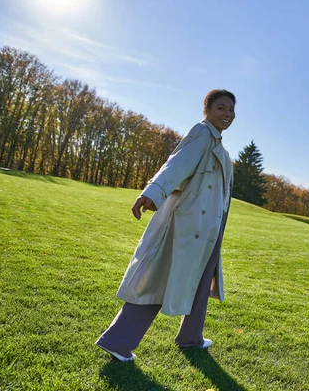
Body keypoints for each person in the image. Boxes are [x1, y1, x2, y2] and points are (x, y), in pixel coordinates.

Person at [95, 89, 236, 362]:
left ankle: (190, 337)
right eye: (221, 107)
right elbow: (175, 165)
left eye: (231, 110)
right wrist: (153, 191)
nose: (227, 114)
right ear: (206, 109)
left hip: (208, 228)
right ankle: (118, 340)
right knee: (160, 276)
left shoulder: (217, 144)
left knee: (200, 281)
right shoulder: (202, 134)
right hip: (188, 225)